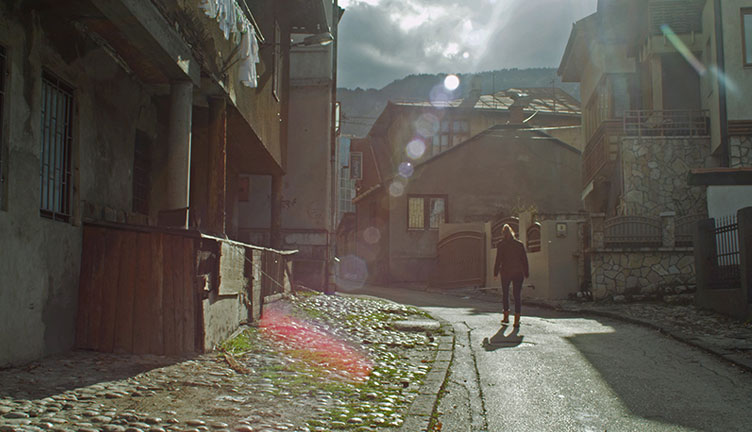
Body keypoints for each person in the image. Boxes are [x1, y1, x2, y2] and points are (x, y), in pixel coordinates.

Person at [493, 224, 529, 327]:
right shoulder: (519, 244)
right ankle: (517, 320)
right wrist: (526, 272)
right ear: (512, 232)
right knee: (517, 295)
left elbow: (498, 259)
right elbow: (524, 260)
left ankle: (506, 317)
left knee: (505, 294)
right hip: (518, 272)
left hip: (506, 272)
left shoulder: (501, 244)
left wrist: (495, 272)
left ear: (503, 234)